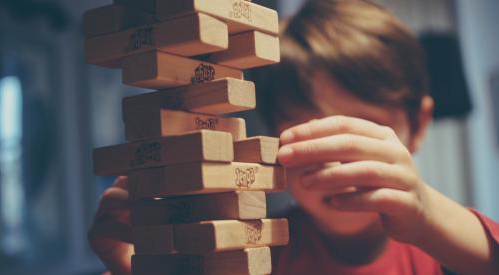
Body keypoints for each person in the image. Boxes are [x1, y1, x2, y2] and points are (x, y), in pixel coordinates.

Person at [88, 0, 499, 274]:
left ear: (420, 125)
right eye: (306, 131)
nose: (336, 164)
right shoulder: (251, 252)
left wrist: (427, 215)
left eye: (360, 132)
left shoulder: (448, 249)